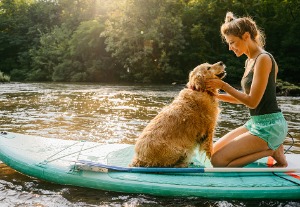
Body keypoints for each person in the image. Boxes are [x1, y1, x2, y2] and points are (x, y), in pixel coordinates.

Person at [205, 12, 288, 168]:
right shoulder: (249, 61)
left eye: (232, 42)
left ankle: (272, 150)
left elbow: (252, 102)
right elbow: (246, 98)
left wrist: (223, 86)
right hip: (256, 124)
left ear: (246, 36)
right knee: (212, 152)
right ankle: (271, 148)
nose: (230, 48)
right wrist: (217, 96)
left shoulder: (263, 59)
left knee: (219, 162)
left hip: (270, 127)